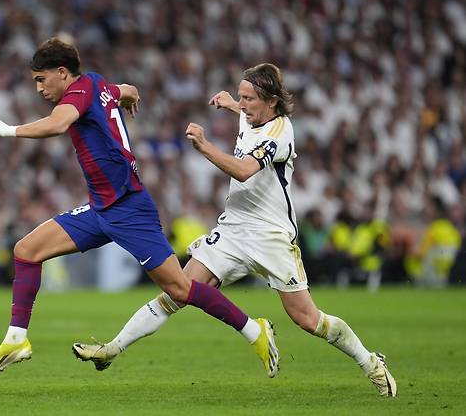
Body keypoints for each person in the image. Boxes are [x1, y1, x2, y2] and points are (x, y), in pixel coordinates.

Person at [72, 63, 397, 397]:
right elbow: (241, 112)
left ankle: (370, 361)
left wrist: (203, 144)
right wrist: (229, 102)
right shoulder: (250, 113)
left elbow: (243, 171)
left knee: (307, 319)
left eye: (248, 99)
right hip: (233, 230)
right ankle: (113, 349)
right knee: (178, 290)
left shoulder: (279, 133)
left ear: (271, 101)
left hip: (270, 236)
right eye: (241, 97)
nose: (243, 105)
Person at [0, 37, 276, 378]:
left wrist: (6, 129)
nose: (38, 88)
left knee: (178, 288)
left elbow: (57, 124)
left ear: (62, 73)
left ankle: (255, 331)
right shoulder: (96, 83)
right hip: (100, 209)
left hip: (130, 209)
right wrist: (131, 97)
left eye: (41, 79)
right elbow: (127, 89)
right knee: (26, 250)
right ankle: (17, 340)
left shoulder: (78, 93)